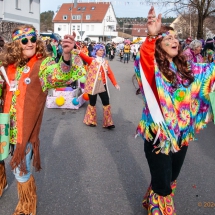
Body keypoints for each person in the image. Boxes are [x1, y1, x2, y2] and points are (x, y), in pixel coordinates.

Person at [134, 6, 215, 214]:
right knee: (163, 186)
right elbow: (145, 58)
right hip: (158, 137)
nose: (174, 40)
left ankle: (152, 199)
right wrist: (151, 36)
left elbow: (210, 73)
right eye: (167, 38)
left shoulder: (187, 69)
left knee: (170, 178)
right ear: (159, 45)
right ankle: (159, 206)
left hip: (181, 137)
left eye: (176, 38)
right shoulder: (151, 69)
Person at [0, 25, 86, 215]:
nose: (30, 43)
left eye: (32, 38)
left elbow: (60, 75)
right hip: (3, 126)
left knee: (21, 171)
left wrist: (66, 55)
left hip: (25, 131)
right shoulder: (7, 66)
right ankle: (1, 183)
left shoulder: (43, 64)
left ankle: (26, 205)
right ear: (15, 44)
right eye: (24, 40)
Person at [74, 44, 120, 129]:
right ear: (95, 51)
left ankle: (108, 123)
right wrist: (79, 52)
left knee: (106, 102)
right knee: (92, 103)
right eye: (99, 50)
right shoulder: (92, 60)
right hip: (93, 85)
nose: (101, 51)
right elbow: (85, 57)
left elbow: (110, 73)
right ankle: (91, 121)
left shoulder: (105, 62)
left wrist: (115, 84)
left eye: (102, 50)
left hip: (103, 84)